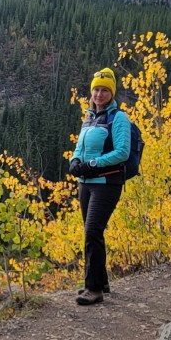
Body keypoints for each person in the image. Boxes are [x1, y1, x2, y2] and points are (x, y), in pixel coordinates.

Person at [69, 67, 130, 306]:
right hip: (86, 183)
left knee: (92, 232)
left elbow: (122, 152)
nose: (99, 94)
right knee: (93, 232)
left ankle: (94, 290)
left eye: (105, 90)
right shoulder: (89, 117)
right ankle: (100, 280)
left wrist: (92, 164)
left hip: (106, 183)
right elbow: (79, 147)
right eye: (96, 89)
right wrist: (75, 161)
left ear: (112, 92)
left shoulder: (119, 118)